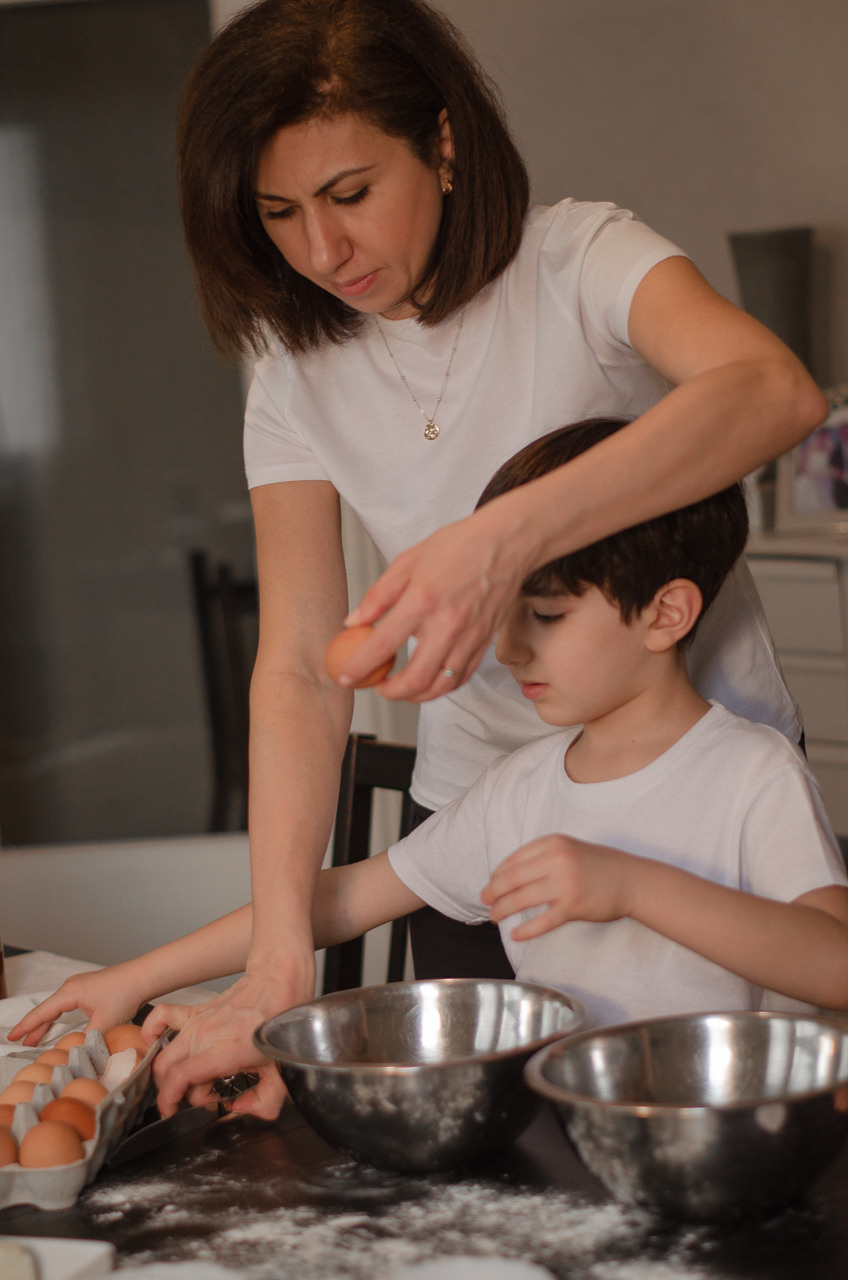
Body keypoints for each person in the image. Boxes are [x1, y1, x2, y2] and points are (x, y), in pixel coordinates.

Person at [89, 0, 829, 1115]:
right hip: (488, 811)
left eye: (349, 195)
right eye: (278, 211)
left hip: (688, 774)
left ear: (439, 144)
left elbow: (770, 390)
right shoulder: (294, 369)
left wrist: (498, 542)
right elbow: (296, 665)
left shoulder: (578, 260)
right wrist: (279, 961)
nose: (321, 249)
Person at [14, 419, 848, 1050]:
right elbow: (339, 899)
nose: (510, 648)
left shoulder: (750, 773)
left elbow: (835, 966)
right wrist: (132, 975)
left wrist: (633, 886)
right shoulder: (522, 788)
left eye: (547, 616)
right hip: (571, 1142)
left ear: (666, 613)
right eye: (501, 613)